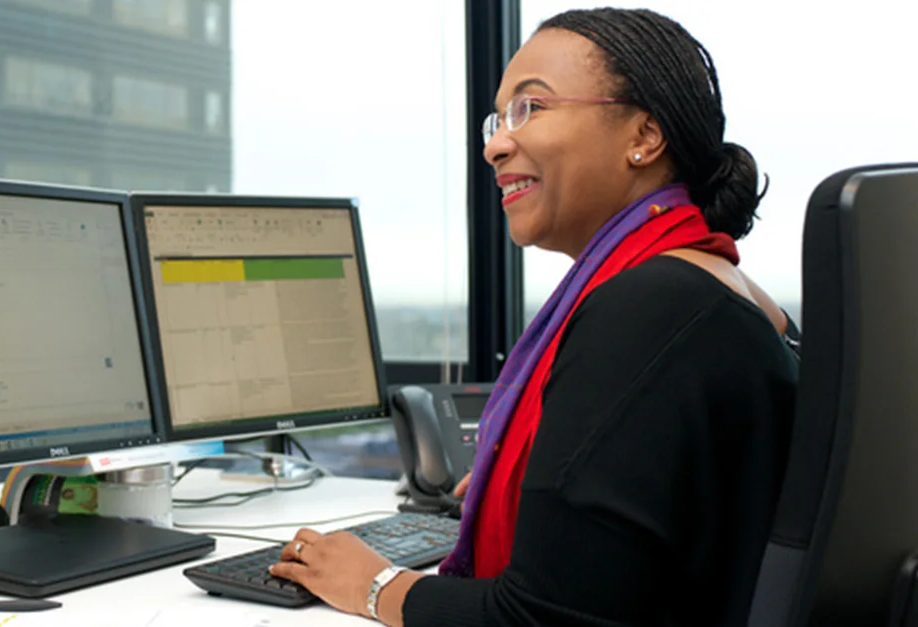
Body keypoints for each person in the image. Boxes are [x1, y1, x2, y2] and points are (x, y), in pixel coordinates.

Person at [268, 7, 799, 627]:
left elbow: (542, 617)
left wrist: (376, 583)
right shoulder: (724, 286)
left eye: (532, 108)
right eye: (499, 118)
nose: (495, 144)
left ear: (644, 137)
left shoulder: (648, 306)